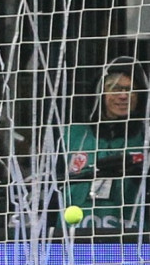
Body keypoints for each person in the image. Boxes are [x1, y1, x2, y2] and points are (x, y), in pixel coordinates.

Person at [62, 55, 148, 230]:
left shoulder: (145, 137)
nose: (123, 95)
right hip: (73, 241)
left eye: (130, 89)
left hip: (133, 242)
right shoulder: (71, 135)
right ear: (100, 92)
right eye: (115, 88)